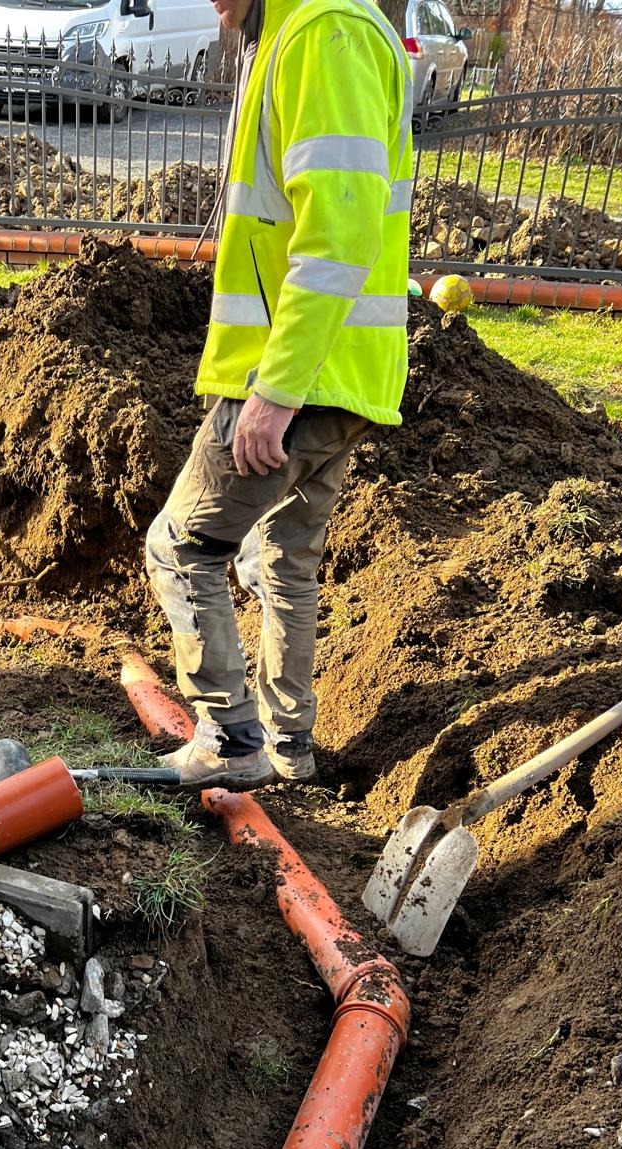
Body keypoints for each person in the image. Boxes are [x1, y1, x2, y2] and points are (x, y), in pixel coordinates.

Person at [147, 0, 413, 788]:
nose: (210, 3)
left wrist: (277, 388)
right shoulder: (309, 30)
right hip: (339, 375)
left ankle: (231, 740)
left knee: (182, 546)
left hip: (298, 377)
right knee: (282, 557)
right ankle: (289, 744)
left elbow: (339, 229)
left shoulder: (324, 34)